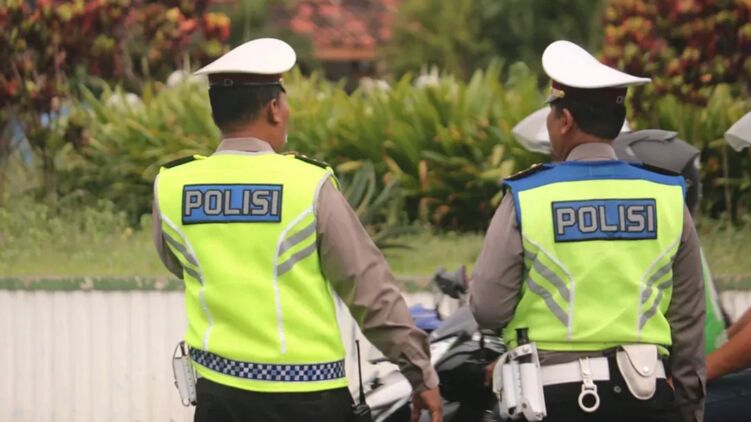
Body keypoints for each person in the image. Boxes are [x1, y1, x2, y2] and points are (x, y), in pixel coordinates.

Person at [151, 38, 442, 422]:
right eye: (284, 101)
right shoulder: (308, 184)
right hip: (308, 399)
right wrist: (419, 373)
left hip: (219, 397)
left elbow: (181, 263)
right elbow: (368, 288)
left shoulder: (172, 185)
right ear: (273, 108)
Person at [470, 40, 705, 421]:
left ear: (564, 121)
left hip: (552, 400)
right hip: (648, 398)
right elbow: (688, 322)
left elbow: (488, 308)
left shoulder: (526, 196)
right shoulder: (667, 196)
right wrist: (691, 407)